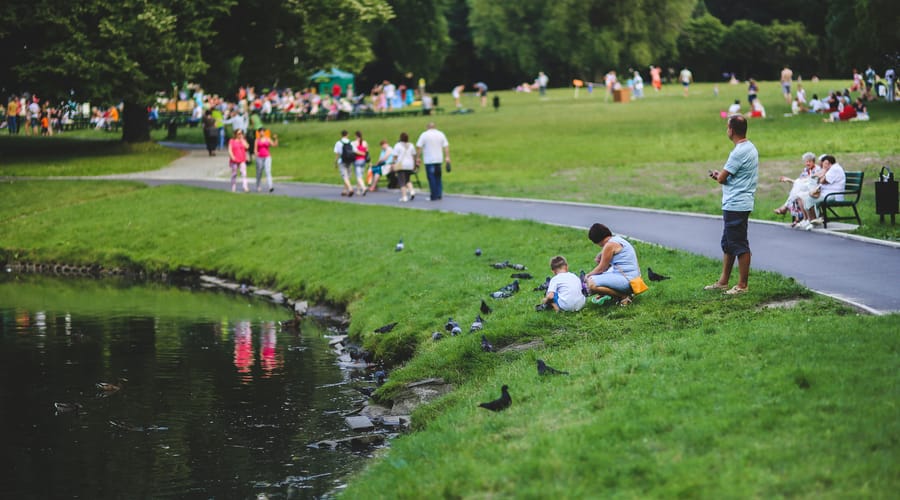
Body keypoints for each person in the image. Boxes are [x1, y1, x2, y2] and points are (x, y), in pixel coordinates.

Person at [706, 115, 758, 295]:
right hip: (738, 201)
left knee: (739, 243)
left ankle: (743, 285)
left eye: (727, 127)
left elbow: (722, 178)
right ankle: (723, 281)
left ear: (731, 130)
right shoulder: (750, 147)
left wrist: (717, 175)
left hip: (737, 202)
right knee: (728, 243)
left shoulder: (738, 152)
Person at [584, 223, 642, 306]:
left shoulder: (609, 245)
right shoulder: (617, 239)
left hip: (628, 281)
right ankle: (608, 294)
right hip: (634, 279)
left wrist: (588, 275)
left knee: (591, 284)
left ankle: (623, 296)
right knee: (597, 279)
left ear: (596, 240)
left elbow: (602, 268)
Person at [795, 154, 846, 230]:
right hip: (826, 193)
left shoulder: (834, 169)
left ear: (829, 163)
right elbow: (818, 178)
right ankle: (810, 220)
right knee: (803, 196)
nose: (823, 165)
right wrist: (822, 175)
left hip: (833, 195)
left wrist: (822, 175)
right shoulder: (831, 169)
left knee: (809, 199)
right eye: (823, 163)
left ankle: (813, 221)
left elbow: (823, 181)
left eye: (825, 163)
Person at [774, 152, 820, 227]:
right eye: (806, 162)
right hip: (805, 189)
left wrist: (791, 180)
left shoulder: (817, 170)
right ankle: (799, 218)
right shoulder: (806, 170)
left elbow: (811, 182)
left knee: (796, 192)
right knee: (797, 193)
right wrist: (789, 180)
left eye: (809, 161)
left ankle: (787, 210)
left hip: (813, 190)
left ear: (813, 161)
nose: (808, 163)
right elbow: (800, 181)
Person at [416, 122, 450, 201]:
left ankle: (433, 195)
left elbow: (419, 146)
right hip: (439, 159)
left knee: (431, 178)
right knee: (438, 177)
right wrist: (447, 157)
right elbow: (446, 146)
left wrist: (418, 157)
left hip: (429, 160)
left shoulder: (424, 135)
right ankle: (439, 194)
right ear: (435, 127)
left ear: (427, 127)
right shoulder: (441, 134)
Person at [389, 132, 417, 202]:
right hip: (410, 165)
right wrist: (414, 165)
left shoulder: (397, 145)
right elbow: (414, 156)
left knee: (402, 181)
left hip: (401, 165)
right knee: (407, 179)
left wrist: (393, 164)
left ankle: (404, 197)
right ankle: (412, 191)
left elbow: (395, 156)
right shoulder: (411, 145)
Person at [254, 128, 278, 193]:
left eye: (263, 131)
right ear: (259, 133)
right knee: (259, 172)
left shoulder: (268, 139)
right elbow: (255, 149)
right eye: (260, 132)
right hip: (259, 158)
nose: (262, 133)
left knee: (268, 171)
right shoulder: (257, 140)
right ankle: (258, 186)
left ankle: (270, 186)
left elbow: (274, 145)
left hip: (267, 157)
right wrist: (256, 153)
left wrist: (276, 138)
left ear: (264, 132)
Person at [333, 130, 355, 196]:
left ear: (341, 135)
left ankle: (350, 188)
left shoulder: (338, 143)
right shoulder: (351, 142)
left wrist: (335, 162)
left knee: (344, 176)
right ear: (347, 135)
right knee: (348, 176)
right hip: (349, 161)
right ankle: (344, 191)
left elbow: (337, 154)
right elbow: (353, 151)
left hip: (342, 161)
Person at [351, 130, 369, 196]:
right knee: (361, 175)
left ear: (356, 135)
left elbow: (354, 151)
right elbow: (367, 151)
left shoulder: (354, 143)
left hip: (357, 160)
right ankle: (358, 190)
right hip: (363, 161)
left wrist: (361, 153)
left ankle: (364, 188)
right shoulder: (365, 142)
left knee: (358, 176)